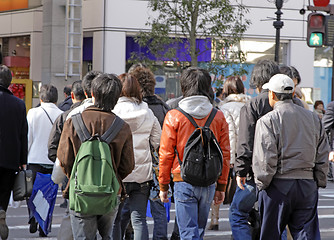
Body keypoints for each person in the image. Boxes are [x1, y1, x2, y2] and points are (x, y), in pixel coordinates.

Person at [57, 73, 135, 239]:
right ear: (116, 97)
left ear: (92, 94)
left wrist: (80, 175)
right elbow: (128, 165)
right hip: (110, 191)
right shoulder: (122, 127)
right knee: (107, 235)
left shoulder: (74, 121)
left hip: (80, 192)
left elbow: (64, 160)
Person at [252, 74, 329, 239]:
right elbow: (322, 153)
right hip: (307, 184)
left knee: (271, 234)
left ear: (272, 95)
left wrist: (262, 185)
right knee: (306, 234)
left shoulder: (267, 120)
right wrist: (319, 180)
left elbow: (265, 160)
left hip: (277, 185)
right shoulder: (313, 118)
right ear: (293, 94)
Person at [158, 67, 230, 239]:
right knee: (198, 231)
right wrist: (222, 186)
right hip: (209, 182)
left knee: (188, 233)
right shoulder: (218, 116)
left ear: (184, 87)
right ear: (208, 88)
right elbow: (225, 153)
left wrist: (163, 186)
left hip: (183, 179)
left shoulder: (174, 116)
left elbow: (166, 154)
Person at [230, 59, 280, 240]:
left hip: (254, 174)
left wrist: (240, 171)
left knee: (238, 214)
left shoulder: (252, 105)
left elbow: (245, 142)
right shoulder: (292, 106)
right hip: (282, 175)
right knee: (276, 221)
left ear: (258, 83)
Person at [113, 73, 161, 240]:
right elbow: (157, 140)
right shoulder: (147, 112)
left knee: (116, 219)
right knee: (139, 219)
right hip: (142, 175)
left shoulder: (112, 112)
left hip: (118, 174)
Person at [129, 66, 169, 240]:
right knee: (159, 209)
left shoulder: (135, 108)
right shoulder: (164, 107)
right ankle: (160, 237)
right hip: (158, 166)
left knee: (132, 212)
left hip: (135, 165)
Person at [207, 76, 250, 231]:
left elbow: (230, 134)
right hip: (248, 154)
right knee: (242, 191)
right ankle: (241, 222)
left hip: (233, 156)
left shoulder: (225, 108)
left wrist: (229, 160)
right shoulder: (250, 104)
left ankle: (215, 220)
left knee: (220, 188)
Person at [26, 84, 63, 237]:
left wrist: (24, 156)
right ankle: (44, 226)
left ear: (41, 98)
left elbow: (28, 137)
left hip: (34, 159)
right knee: (49, 194)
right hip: (53, 161)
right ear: (56, 99)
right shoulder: (62, 114)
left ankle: (33, 216)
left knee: (33, 192)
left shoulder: (33, 113)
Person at [0, 65, 28, 240]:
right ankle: (2, 211)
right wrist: (22, 160)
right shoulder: (19, 104)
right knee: (3, 192)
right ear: (10, 83)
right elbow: (23, 134)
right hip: (10, 159)